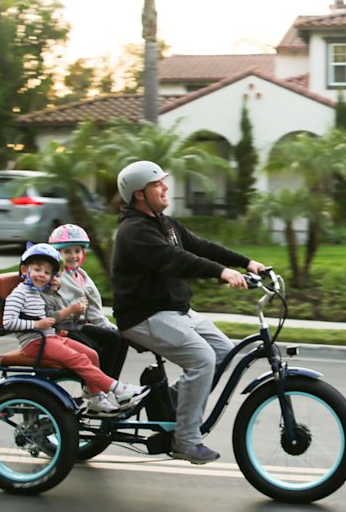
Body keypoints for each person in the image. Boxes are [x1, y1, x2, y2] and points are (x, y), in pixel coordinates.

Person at [111, 160, 266, 464]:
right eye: (157, 184)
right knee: (203, 359)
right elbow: (177, 259)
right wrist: (221, 272)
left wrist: (246, 262)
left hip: (176, 311)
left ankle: (172, 399)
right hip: (144, 316)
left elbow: (201, 247)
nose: (165, 187)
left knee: (226, 353)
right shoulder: (134, 231)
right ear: (140, 194)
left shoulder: (166, 224)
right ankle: (185, 440)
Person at [3, 243, 147, 416]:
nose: (42, 275)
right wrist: (36, 325)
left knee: (91, 354)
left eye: (47, 273)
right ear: (25, 270)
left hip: (49, 338)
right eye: (37, 270)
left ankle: (96, 400)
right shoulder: (19, 294)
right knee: (79, 359)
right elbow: (8, 322)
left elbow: (50, 315)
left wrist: (58, 302)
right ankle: (118, 390)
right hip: (35, 342)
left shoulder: (36, 292)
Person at [47, 223, 130, 379]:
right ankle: (96, 385)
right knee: (95, 349)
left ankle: (111, 383)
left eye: (77, 251)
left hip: (79, 326)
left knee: (119, 339)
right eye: (67, 252)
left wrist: (110, 328)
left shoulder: (81, 276)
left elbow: (93, 311)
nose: (73, 256)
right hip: (63, 329)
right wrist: (73, 309)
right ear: (57, 254)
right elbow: (51, 306)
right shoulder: (56, 278)